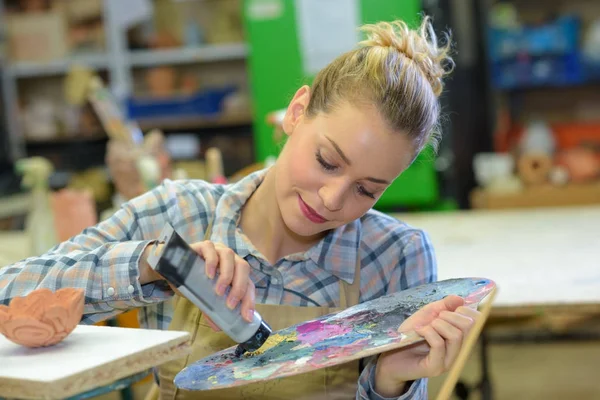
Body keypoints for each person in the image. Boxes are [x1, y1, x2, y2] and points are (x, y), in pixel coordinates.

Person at [0, 17, 481, 399]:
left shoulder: (394, 255)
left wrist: (388, 383)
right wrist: (154, 263)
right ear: (297, 111)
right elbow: (8, 293)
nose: (333, 199)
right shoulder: (177, 214)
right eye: (326, 161)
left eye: (367, 190)